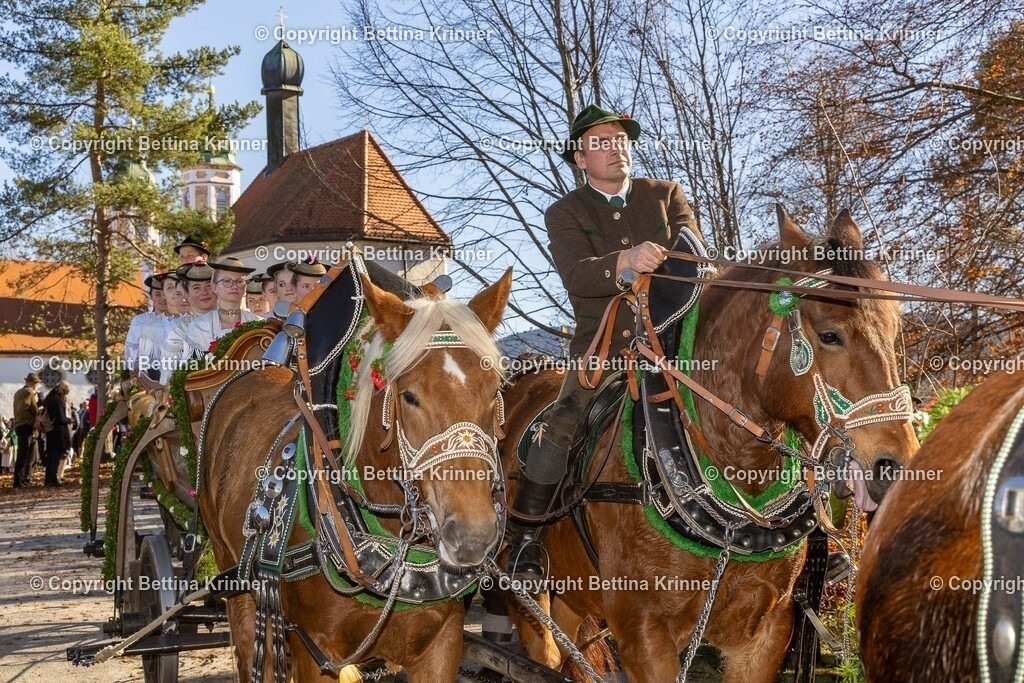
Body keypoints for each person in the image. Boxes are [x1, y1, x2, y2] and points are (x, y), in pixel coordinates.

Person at [505, 105, 702, 584]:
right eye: (603, 142)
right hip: (605, 350)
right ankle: (526, 537)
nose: (617, 148)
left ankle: (810, 520)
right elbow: (576, 276)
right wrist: (625, 260)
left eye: (622, 140)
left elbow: (696, 259)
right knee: (562, 422)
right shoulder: (565, 212)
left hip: (680, 344)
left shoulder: (667, 195)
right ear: (580, 158)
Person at [182, 257, 260, 358]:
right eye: (227, 281)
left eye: (240, 281)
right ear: (214, 287)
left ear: (245, 288)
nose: (234, 286)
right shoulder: (199, 326)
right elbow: (190, 368)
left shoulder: (258, 323)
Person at [160, 261, 218, 384]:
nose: (204, 292)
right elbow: (169, 375)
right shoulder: (178, 328)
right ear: (188, 294)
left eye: (208, 286)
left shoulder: (235, 322)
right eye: (196, 287)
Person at [42, 380, 74, 486]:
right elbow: (60, 418)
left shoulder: (51, 399)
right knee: (55, 457)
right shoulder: (57, 401)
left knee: (51, 456)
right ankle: (52, 480)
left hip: (52, 432)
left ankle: (48, 479)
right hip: (58, 433)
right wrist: (70, 420)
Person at [12, 373, 41, 488]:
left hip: (19, 425)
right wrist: (35, 413)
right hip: (26, 425)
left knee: (28, 454)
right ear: (34, 383)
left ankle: (23, 480)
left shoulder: (18, 392)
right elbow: (23, 407)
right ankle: (19, 481)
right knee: (24, 455)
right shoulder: (29, 392)